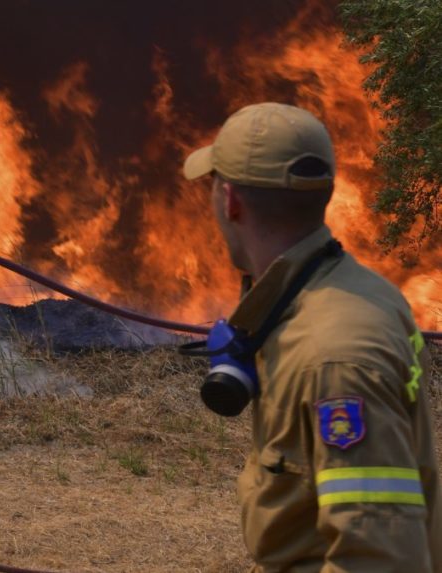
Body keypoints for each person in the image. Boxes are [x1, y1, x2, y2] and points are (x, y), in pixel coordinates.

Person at [183, 102, 441, 571]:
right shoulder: (353, 291)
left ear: (231, 201)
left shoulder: (335, 358)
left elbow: (379, 557)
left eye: (214, 184)